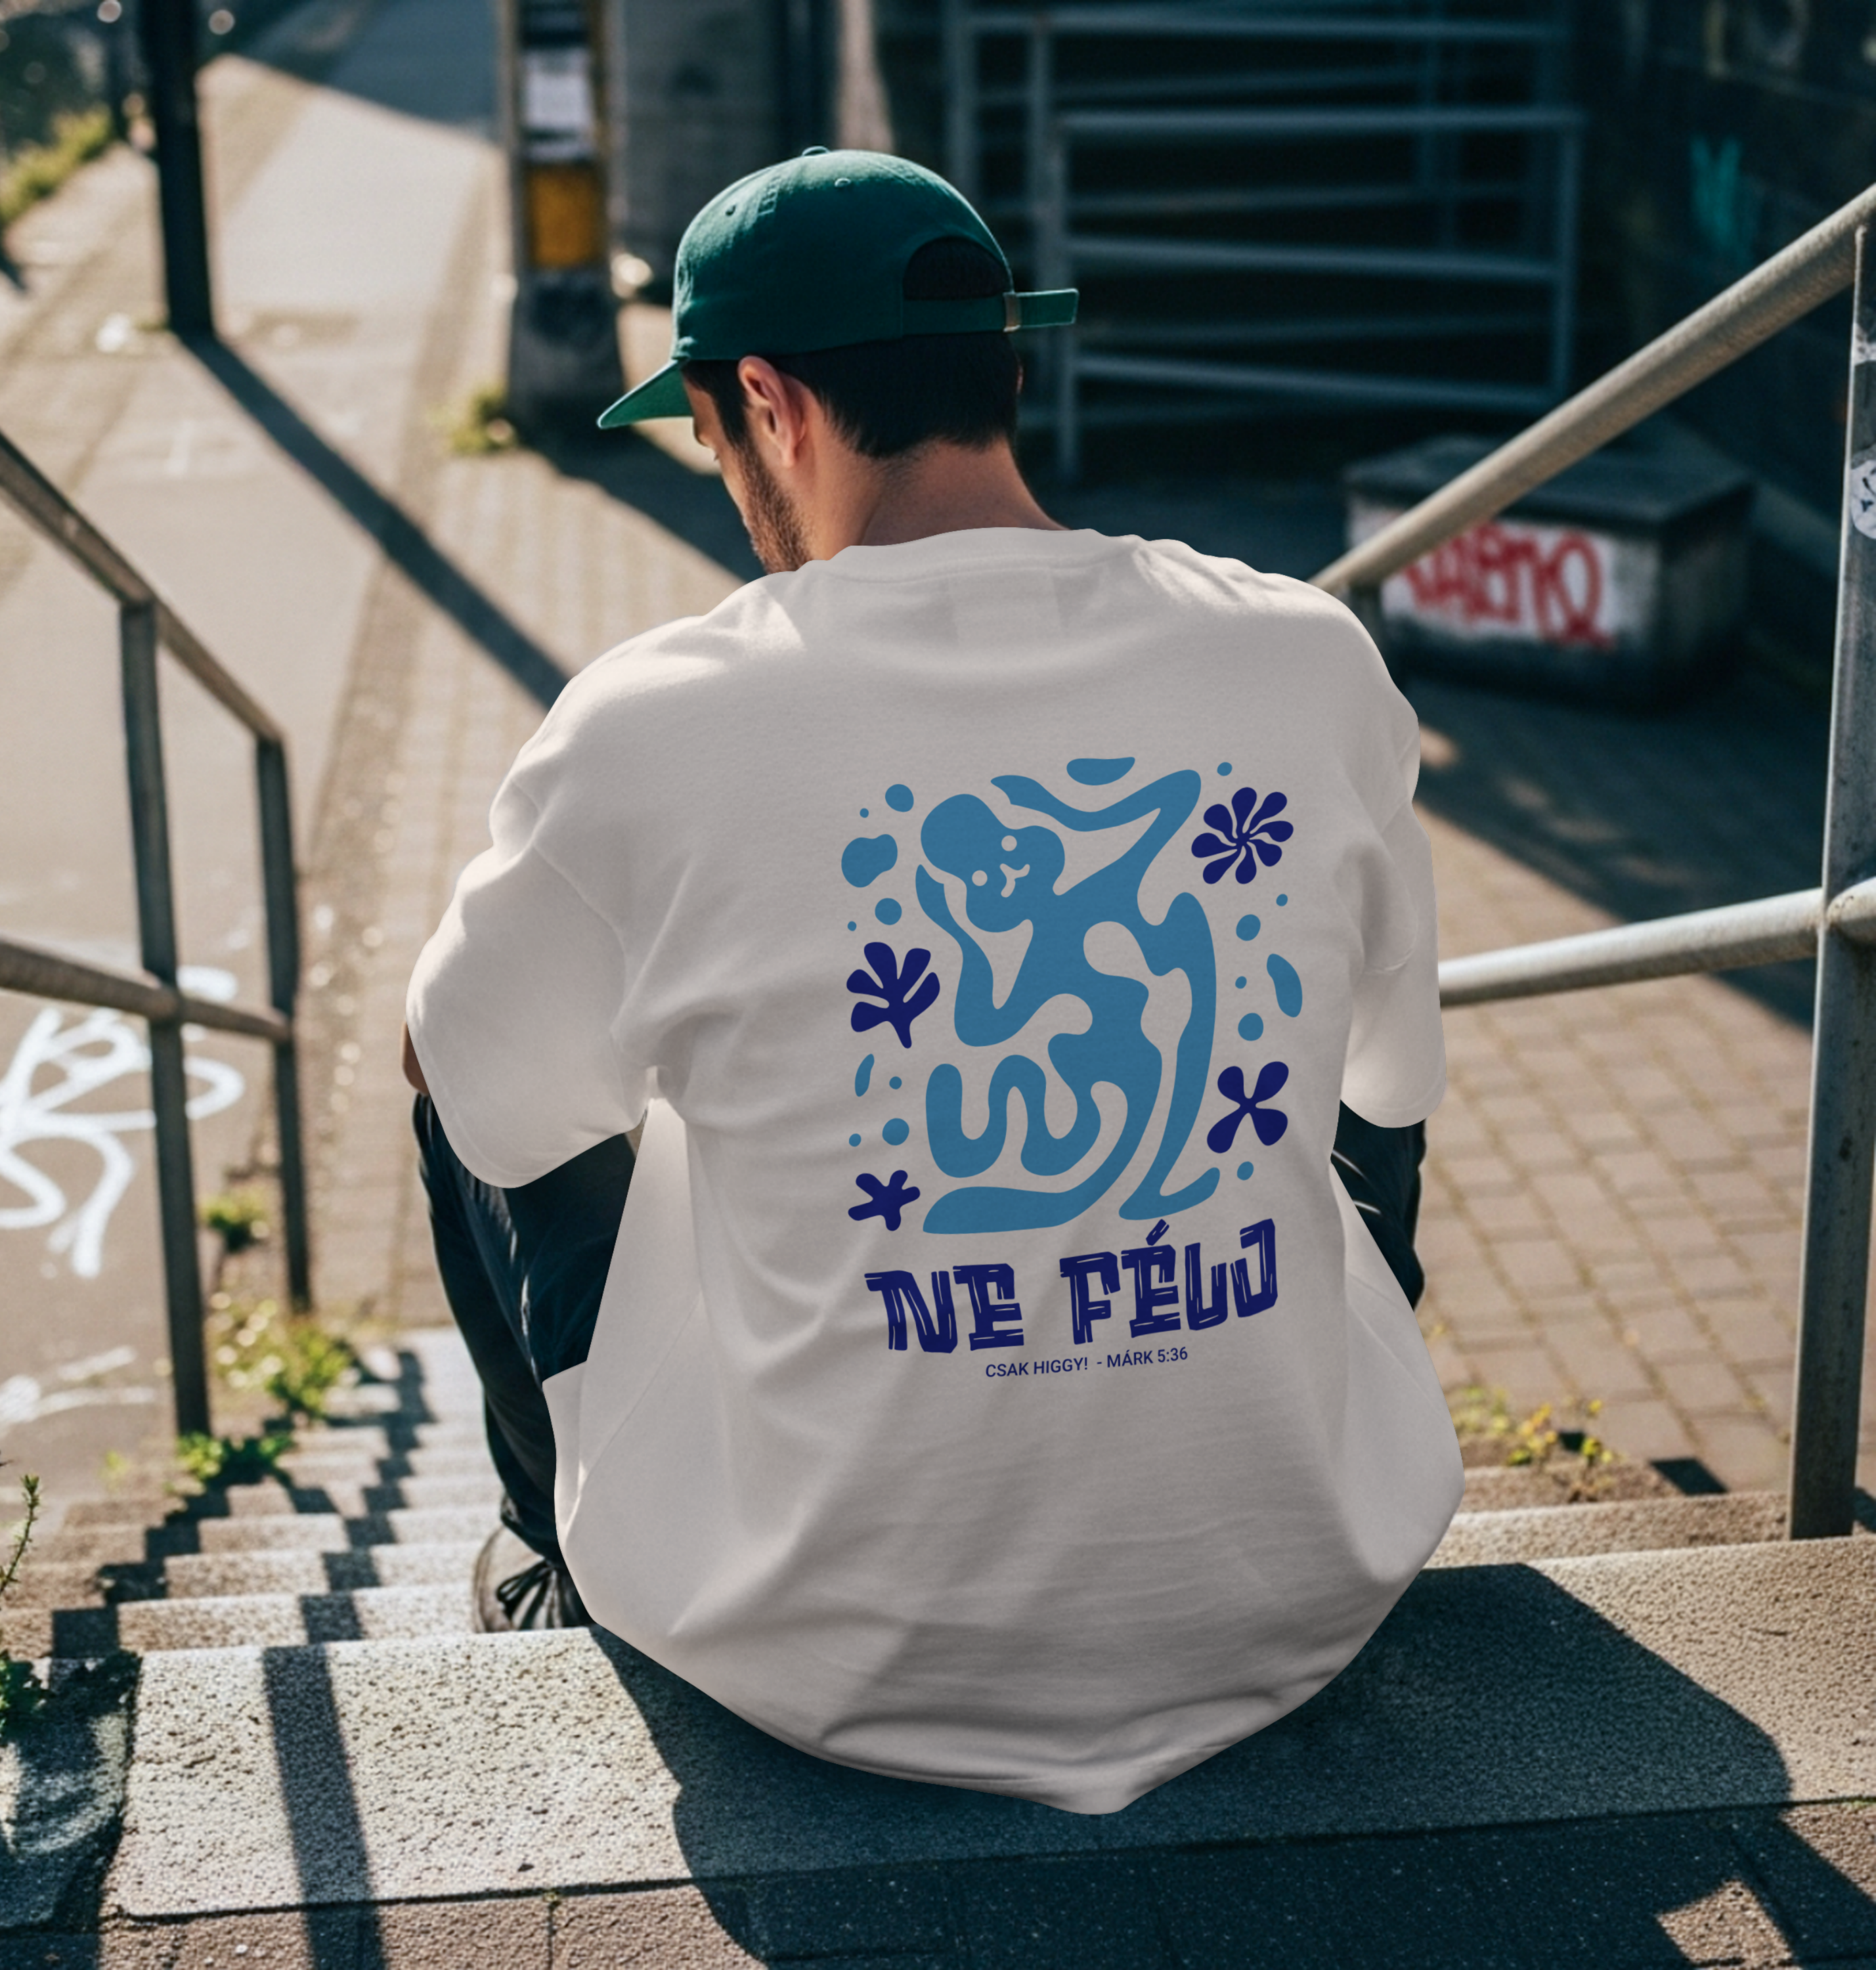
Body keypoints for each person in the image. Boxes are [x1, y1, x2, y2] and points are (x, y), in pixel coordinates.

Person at [403, 146, 1462, 1816]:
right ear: (1005, 370)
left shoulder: (649, 727)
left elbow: (475, 1084)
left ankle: (553, 1550)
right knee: (1345, 1088)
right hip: (1308, 1595)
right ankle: (1244, 1445)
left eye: (707, 436)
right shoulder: (1305, 654)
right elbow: (1388, 1088)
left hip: (830, 1662)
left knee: (471, 1058)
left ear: (768, 405)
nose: (724, 477)